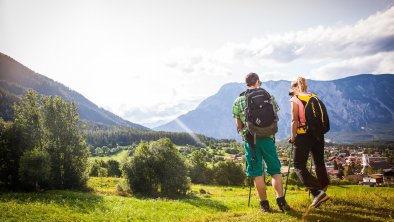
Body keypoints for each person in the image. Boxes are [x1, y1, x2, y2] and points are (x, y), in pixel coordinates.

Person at [232, 72, 290, 212]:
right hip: (268, 139)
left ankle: (264, 205)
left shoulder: (238, 100)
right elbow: (275, 116)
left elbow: (238, 125)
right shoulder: (268, 96)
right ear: (258, 81)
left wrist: (243, 131)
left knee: (257, 172)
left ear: (245, 84)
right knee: (275, 170)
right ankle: (281, 201)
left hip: (251, 140)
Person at [288, 77, 330, 208]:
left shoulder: (295, 99)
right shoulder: (313, 96)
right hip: (318, 135)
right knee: (319, 163)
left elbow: (295, 120)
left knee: (298, 165)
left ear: (296, 87)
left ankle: (318, 193)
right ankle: (323, 192)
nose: (291, 92)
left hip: (304, 135)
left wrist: (293, 136)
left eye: (291, 89)